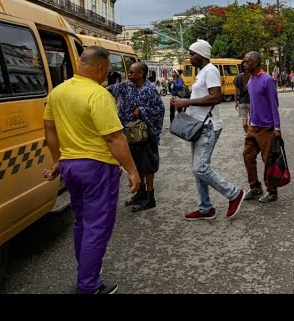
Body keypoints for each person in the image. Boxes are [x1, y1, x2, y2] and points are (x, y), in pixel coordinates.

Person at [42, 46, 141, 295]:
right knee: (97, 226)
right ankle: (88, 285)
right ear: (100, 68)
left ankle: (85, 274)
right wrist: (131, 170)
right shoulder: (98, 95)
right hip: (96, 167)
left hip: (70, 166)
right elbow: (114, 138)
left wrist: (57, 160)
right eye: (106, 71)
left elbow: (49, 129)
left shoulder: (58, 92)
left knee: (82, 223)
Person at [170, 39, 245, 220]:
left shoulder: (210, 71)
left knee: (200, 167)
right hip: (198, 125)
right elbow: (201, 95)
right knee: (198, 168)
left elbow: (215, 97)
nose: (190, 57)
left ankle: (234, 193)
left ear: (202, 54)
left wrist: (186, 102)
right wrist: (182, 102)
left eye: (192, 53)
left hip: (208, 126)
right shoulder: (202, 72)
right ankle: (205, 208)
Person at [107, 62, 165, 212]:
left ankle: (150, 198)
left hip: (146, 135)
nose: (129, 75)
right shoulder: (126, 86)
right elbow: (108, 90)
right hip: (129, 134)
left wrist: (143, 110)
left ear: (141, 74)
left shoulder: (150, 90)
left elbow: (159, 109)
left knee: (148, 166)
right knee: (135, 164)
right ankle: (140, 194)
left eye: (132, 72)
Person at [241, 51, 282, 203]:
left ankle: (272, 191)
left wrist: (277, 127)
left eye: (247, 62)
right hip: (253, 127)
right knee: (247, 156)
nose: (244, 64)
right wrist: (247, 118)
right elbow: (248, 100)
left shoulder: (268, 80)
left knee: (268, 161)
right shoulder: (250, 79)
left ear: (256, 63)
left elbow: (274, 104)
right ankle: (255, 187)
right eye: (244, 61)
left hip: (267, 128)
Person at [234, 62, 250, 133]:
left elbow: (236, 91)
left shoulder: (237, 77)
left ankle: (248, 134)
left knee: (244, 122)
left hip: (242, 101)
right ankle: (251, 135)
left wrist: (236, 101)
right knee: (253, 121)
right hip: (252, 102)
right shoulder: (251, 76)